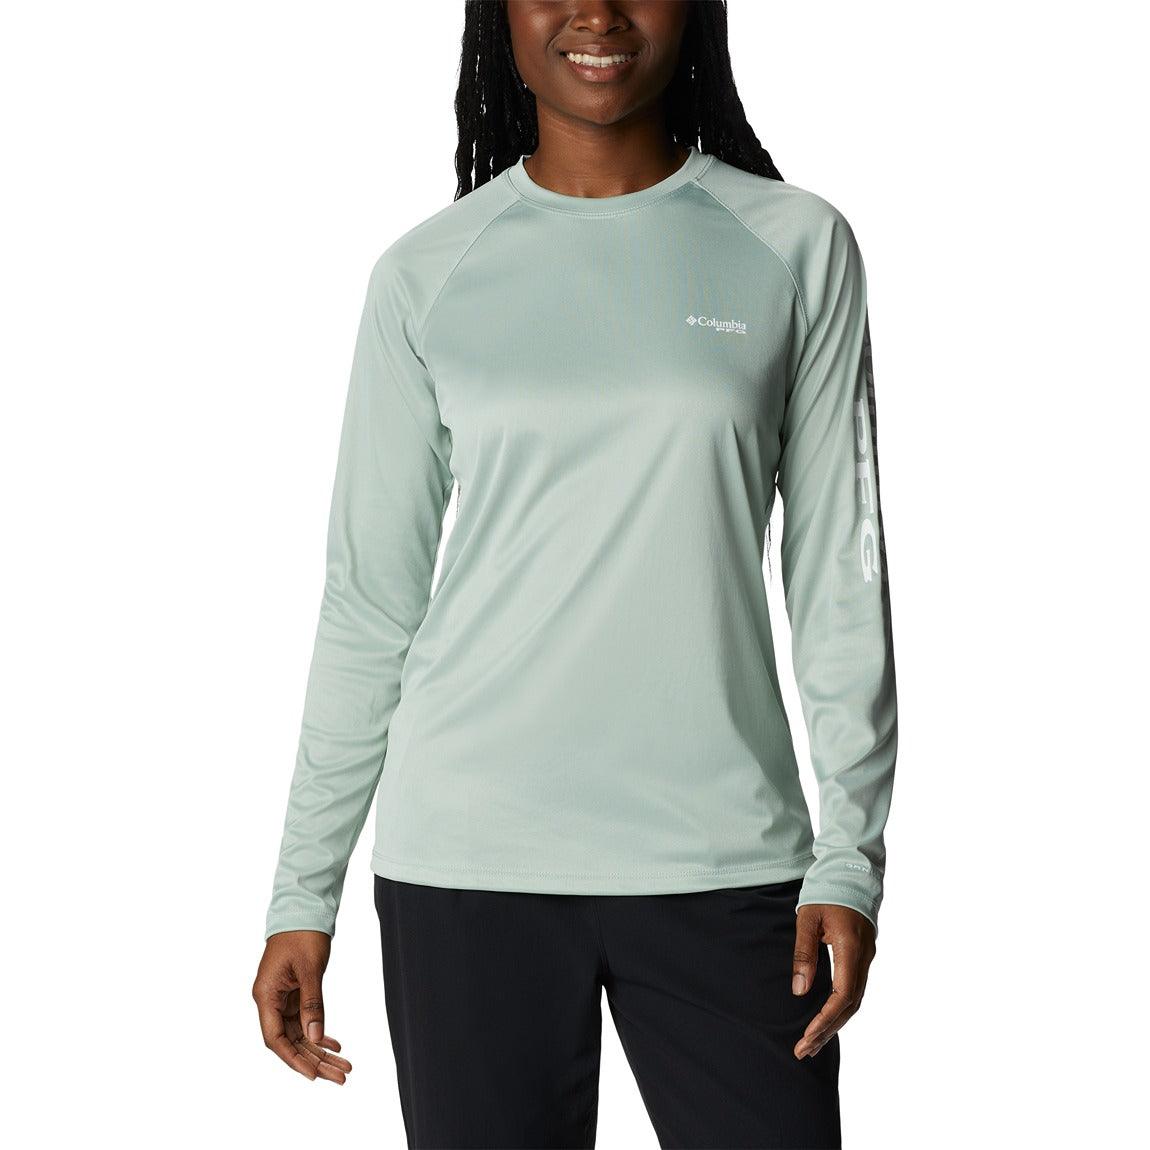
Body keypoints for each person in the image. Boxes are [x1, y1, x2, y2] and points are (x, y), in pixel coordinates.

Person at [252, 2, 899, 1147]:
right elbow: (369, 603)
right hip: (468, 859)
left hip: (726, 858)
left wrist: (846, 858)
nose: (596, 12)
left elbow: (838, 576)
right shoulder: (425, 274)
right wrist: (303, 891)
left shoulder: (794, 245)